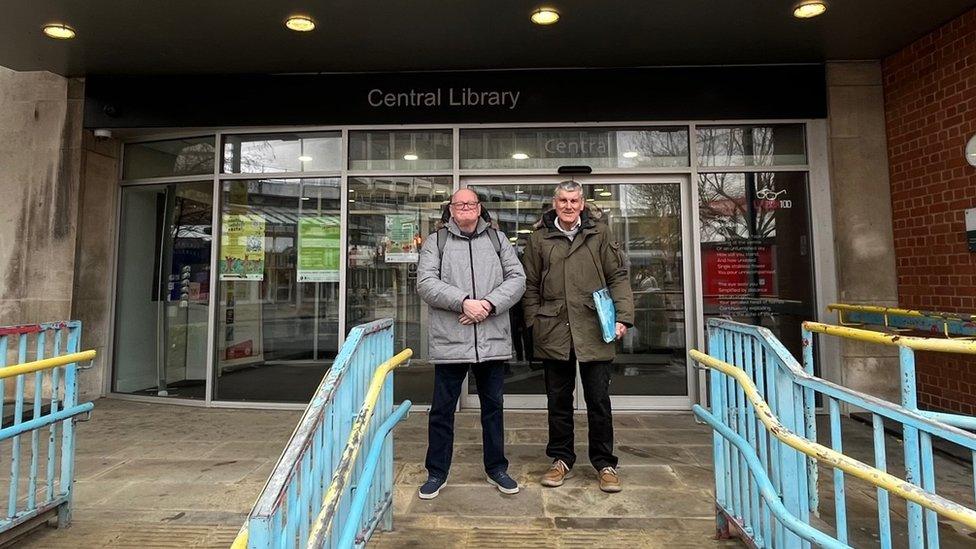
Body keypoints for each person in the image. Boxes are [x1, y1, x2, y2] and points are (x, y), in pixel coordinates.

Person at [522, 180, 635, 493]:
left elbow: (617, 277)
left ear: (582, 204)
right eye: (563, 200)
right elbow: (530, 284)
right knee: (558, 401)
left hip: (594, 328)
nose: (569, 206)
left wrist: (623, 317)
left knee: (598, 400)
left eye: (574, 200)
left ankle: (605, 463)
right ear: (554, 203)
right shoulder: (538, 237)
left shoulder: (600, 233)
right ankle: (561, 459)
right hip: (553, 329)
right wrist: (533, 321)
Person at [415, 188, 526, 499]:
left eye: (470, 203)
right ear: (451, 209)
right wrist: (463, 303)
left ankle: (497, 468)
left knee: (493, 408)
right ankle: (436, 472)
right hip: (452, 338)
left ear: (479, 208)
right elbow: (425, 282)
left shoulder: (497, 240)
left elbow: (517, 278)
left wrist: (487, 305)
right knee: (442, 410)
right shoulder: (436, 241)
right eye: (459, 204)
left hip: (491, 337)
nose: (465, 208)